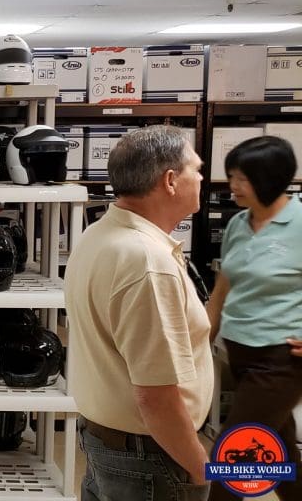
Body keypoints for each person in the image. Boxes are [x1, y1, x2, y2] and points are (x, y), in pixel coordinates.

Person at [64, 125, 212, 501]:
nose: (202, 176)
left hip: (107, 441)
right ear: (170, 181)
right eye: (195, 168)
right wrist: (198, 466)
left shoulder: (98, 235)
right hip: (151, 458)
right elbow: (156, 397)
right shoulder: (146, 262)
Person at [205, 136, 302, 501]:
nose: (233, 186)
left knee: (233, 452)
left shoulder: (299, 224)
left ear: (271, 178)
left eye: (242, 178)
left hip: (281, 360)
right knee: (282, 448)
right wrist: (198, 342)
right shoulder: (239, 224)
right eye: (231, 176)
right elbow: (221, 290)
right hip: (239, 354)